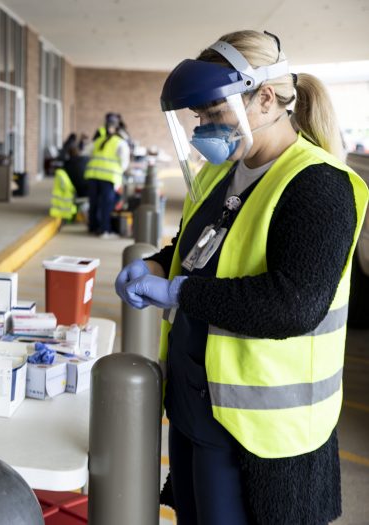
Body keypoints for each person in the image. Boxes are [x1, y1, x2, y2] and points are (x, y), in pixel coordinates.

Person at [115, 30, 368, 524]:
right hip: (197, 406)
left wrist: (178, 291)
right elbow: (201, 249)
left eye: (214, 113)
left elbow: (293, 304)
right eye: (199, 117)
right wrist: (157, 265)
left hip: (263, 435)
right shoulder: (219, 173)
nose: (203, 128)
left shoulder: (318, 185)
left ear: (266, 98)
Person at [84, 112, 130, 238]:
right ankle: (105, 231)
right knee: (106, 205)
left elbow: (86, 151)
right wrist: (119, 174)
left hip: (93, 175)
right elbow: (124, 162)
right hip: (108, 178)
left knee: (93, 203)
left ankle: (92, 227)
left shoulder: (99, 140)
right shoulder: (120, 142)